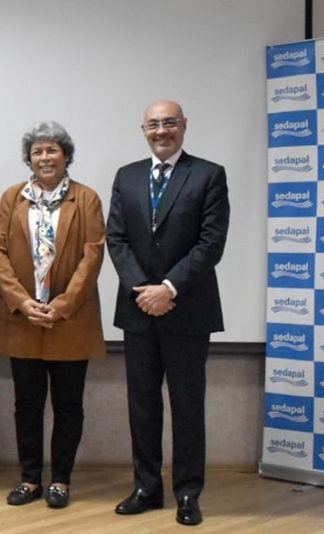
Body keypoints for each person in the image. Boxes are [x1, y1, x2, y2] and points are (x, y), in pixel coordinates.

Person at [107, 100, 229, 527]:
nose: (162, 131)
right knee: (142, 406)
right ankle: (146, 488)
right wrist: (143, 290)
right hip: (138, 309)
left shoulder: (209, 175)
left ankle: (188, 493)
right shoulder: (127, 176)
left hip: (187, 309)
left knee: (187, 407)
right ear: (143, 130)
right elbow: (116, 239)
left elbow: (211, 243)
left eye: (169, 123)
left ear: (184, 126)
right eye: (154, 124)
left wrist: (169, 288)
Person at [0, 121, 106, 509]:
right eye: (37, 151)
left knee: (68, 406)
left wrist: (62, 305)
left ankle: (61, 480)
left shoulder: (86, 199)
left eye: (52, 150)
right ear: (29, 158)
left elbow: (93, 256)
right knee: (27, 405)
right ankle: (29, 478)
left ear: (66, 155)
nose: (44, 157)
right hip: (22, 319)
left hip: (69, 321)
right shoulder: (12, 198)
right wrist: (22, 302)